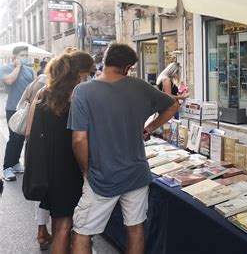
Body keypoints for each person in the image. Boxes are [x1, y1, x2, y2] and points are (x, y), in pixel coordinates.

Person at [68, 43, 179, 253]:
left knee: (83, 231)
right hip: (136, 173)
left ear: (105, 60)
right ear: (127, 67)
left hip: (102, 175)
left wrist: (85, 170)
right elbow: (173, 105)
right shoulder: (139, 86)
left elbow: (79, 139)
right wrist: (149, 128)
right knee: (135, 228)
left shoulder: (83, 90)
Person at [27, 52, 95, 253]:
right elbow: (81, 137)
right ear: (80, 73)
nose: (90, 77)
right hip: (70, 167)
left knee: (59, 224)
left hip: (50, 167)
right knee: (66, 225)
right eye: (90, 73)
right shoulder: (78, 97)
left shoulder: (45, 94)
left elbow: (30, 132)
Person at [1, 45, 35, 181]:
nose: (25, 58)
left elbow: (33, 88)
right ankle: (7, 167)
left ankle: (15, 163)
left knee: (22, 136)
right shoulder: (6, 68)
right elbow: (9, 80)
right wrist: (17, 67)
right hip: (13, 108)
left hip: (26, 108)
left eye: (26, 55)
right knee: (14, 137)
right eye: (22, 55)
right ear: (15, 57)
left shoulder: (30, 71)